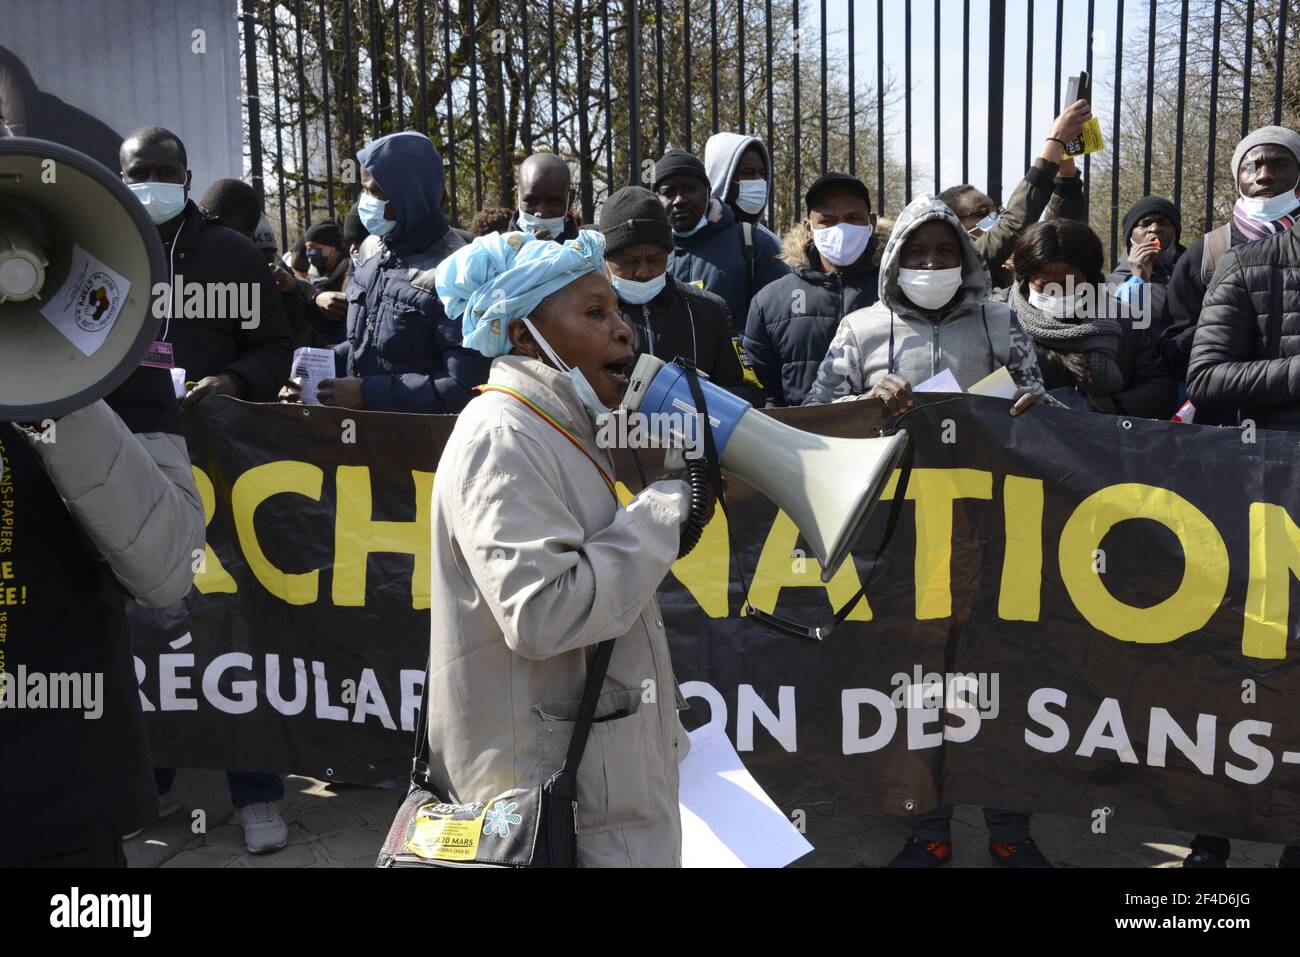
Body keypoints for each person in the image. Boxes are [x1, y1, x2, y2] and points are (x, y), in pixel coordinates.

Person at [430, 228, 702, 867]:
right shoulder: (502, 434)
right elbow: (543, 613)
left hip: (589, 788)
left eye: (618, 311)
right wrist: (664, 508)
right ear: (526, 336)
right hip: (553, 800)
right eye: (594, 313)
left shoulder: (557, 427)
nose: (623, 331)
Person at [284, 131, 490, 412]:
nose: (363, 201)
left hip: (421, 446)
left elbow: (469, 385)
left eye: (372, 191)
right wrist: (319, 370)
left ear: (407, 195)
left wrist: (370, 394)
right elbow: (366, 347)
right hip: (364, 439)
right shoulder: (372, 250)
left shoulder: (459, 270)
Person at [803, 193, 1044, 419]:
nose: (932, 263)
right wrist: (868, 403)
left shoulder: (1002, 321)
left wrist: (1032, 403)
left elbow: (1041, 405)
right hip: (895, 463)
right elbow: (816, 412)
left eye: (945, 251)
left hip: (980, 463)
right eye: (916, 251)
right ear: (896, 261)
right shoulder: (858, 329)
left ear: (964, 258)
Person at [120, 127, 293, 406]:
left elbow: (273, 348)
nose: (153, 183)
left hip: (203, 429)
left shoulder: (236, 254)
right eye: (139, 174)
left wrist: (233, 381)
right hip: (114, 423)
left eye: (165, 172)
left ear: (186, 179)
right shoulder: (98, 248)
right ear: (123, 179)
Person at [1164, 125, 1300, 396]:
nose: (1264, 176)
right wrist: (1230, 329)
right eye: (1251, 166)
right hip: (1228, 421)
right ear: (1237, 179)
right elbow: (1172, 349)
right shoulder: (1206, 253)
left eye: (1280, 164)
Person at [599, 185, 756, 399]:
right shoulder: (586, 316)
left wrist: (691, 401)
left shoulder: (709, 310)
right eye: (629, 261)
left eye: (654, 259)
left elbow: (748, 392)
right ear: (605, 259)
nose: (643, 272)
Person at [1010, 221, 1177, 418]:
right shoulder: (1003, 322)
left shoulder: (1125, 319)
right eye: (1044, 285)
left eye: (1068, 284)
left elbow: (1161, 390)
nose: (1055, 293)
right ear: (1027, 278)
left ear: (1088, 278)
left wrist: (1098, 407)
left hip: (1107, 440)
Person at [743, 172, 880, 406]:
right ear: (809, 228)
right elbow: (760, 391)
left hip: (882, 437)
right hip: (798, 439)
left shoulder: (894, 292)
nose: (841, 229)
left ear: (871, 224)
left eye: (853, 217)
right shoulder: (771, 301)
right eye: (828, 220)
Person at [939, 98, 1092, 289]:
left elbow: (1058, 234)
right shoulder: (960, 267)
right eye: (982, 212)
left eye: (995, 211)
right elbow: (1013, 224)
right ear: (953, 225)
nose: (995, 219)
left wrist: (1066, 173)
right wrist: (1056, 139)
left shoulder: (1019, 266)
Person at [654, 148, 789, 335]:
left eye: (689, 189)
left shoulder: (754, 243)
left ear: (708, 192)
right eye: (669, 192)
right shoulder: (648, 252)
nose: (679, 200)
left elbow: (781, 319)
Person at [1105, 196, 1186, 333]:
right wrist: (1138, 280)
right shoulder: (1110, 284)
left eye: (1163, 222)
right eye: (1145, 223)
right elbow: (1120, 332)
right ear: (1131, 236)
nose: (1154, 229)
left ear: (1175, 232)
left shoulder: (1192, 275)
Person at [704, 132, 773, 225]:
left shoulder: (765, 237)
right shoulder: (700, 235)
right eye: (748, 173)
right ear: (723, 178)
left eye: (762, 173)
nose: (758, 180)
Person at [300, 219, 351, 345]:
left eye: (313, 247)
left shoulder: (349, 270)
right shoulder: (312, 274)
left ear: (331, 247)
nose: (309, 253)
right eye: (307, 248)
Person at [509, 152, 579, 241]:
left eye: (553, 202)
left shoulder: (589, 252)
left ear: (570, 200)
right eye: (531, 202)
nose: (541, 213)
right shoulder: (495, 251)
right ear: (517, 196)